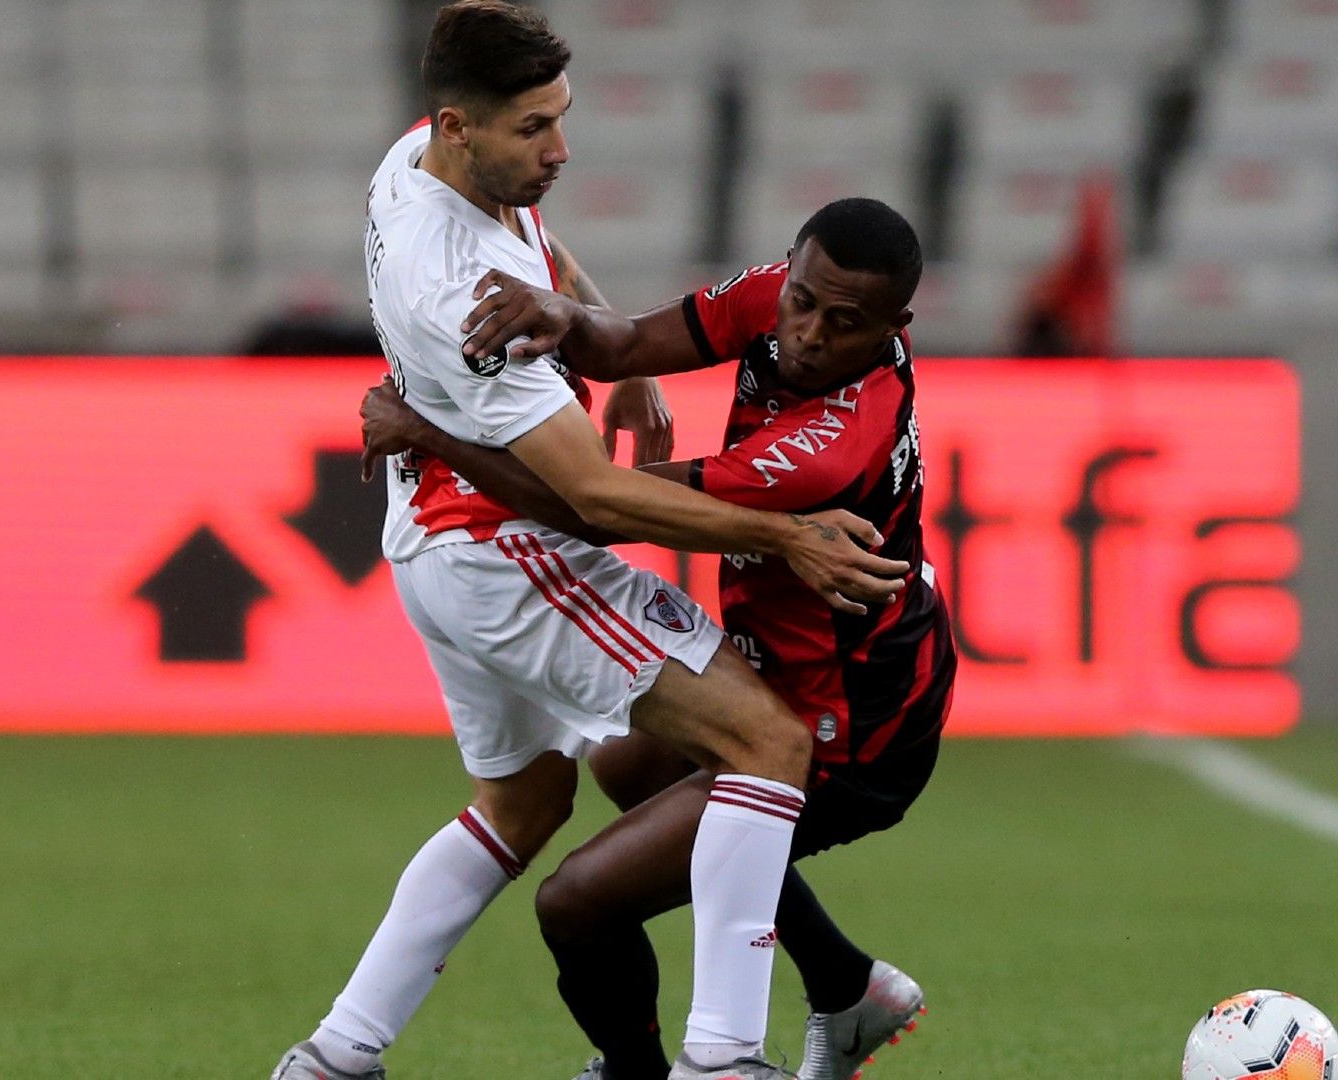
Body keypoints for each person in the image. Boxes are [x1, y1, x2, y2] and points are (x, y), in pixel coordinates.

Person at [271, 7, 909, 1080]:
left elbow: (538, 248)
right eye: (533, 131)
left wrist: (617, 343)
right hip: (507, 551)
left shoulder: (416, 165)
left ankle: (336, 1055)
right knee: (769, 745)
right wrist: (785, 536)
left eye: (562, 119)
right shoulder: (456, 297)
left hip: (433, 540)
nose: (560, 151)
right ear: (458, 126)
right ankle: (722, 1058)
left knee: (525, 803)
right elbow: (595, 502)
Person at [359, 197, 953, 1080]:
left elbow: (591, 506)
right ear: (789, 267)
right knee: (625, 764)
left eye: (846, 323)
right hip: (806, 672)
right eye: (801, 300)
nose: (810, 334)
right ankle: (843, 985)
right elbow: (627, 346)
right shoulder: (778, 300)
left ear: (895, 327)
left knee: (577, 906)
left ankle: (652, 1070)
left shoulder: (829, 446)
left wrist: (428, 433)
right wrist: (564, 314)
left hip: (853, 728)